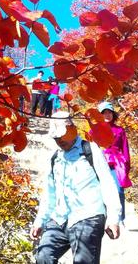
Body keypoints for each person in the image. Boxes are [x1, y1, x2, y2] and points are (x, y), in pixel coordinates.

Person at [30, 111, 121, 263]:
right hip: (59, 218)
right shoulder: (55, 158)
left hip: (88, 217)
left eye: (62, 135)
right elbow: (49, 193)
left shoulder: (90, 150)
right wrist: (40, 220)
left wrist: (113, 218)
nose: (59, 140)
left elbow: (107, 184)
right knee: (43, 256)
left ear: (72, 129)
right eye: (55, 137)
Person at [96, 101, 131, 224]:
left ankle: (120, 219)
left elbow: (125, 149)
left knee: (119, 190)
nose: (107, 115)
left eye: (109, 112)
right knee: (99, 190)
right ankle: (102, 217)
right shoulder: (95, 129)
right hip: (100, 162)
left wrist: (126, 166)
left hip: (117, 164)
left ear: (113, 114)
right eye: (104, 113)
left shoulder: (120, 130)